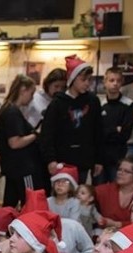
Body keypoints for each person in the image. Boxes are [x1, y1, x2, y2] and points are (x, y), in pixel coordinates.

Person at [40, 55, 104, 185]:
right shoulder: (57, 103)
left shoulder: (93, 101)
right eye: (83, 79)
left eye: (89, 80)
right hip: (62, 161)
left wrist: (99, 159)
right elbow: (47, 133)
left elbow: (98, 132)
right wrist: (51, 159)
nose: (87, 83)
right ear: (72, 79)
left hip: (84, 160)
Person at [0, 74, 48, 209]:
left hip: (13, 167)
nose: (31, 98)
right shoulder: (12, 112)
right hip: (22, 168)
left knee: (9, 205)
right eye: (31, 93)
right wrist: (36, 134)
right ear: (23, 90)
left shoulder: (7, 110)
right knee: (30, 204)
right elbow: (15, 142)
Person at [97, 66, 133, 184]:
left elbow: (125, 134)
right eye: (111, 80)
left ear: (122, 82)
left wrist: (107, 131)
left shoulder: (128, 104)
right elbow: (96, 131)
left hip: (118, 156)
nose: (115, 84)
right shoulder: (99, 103)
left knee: (115, 189)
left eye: (118, 81)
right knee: (98, 191)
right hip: (99, 157)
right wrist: (114, 129)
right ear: (105, 82)